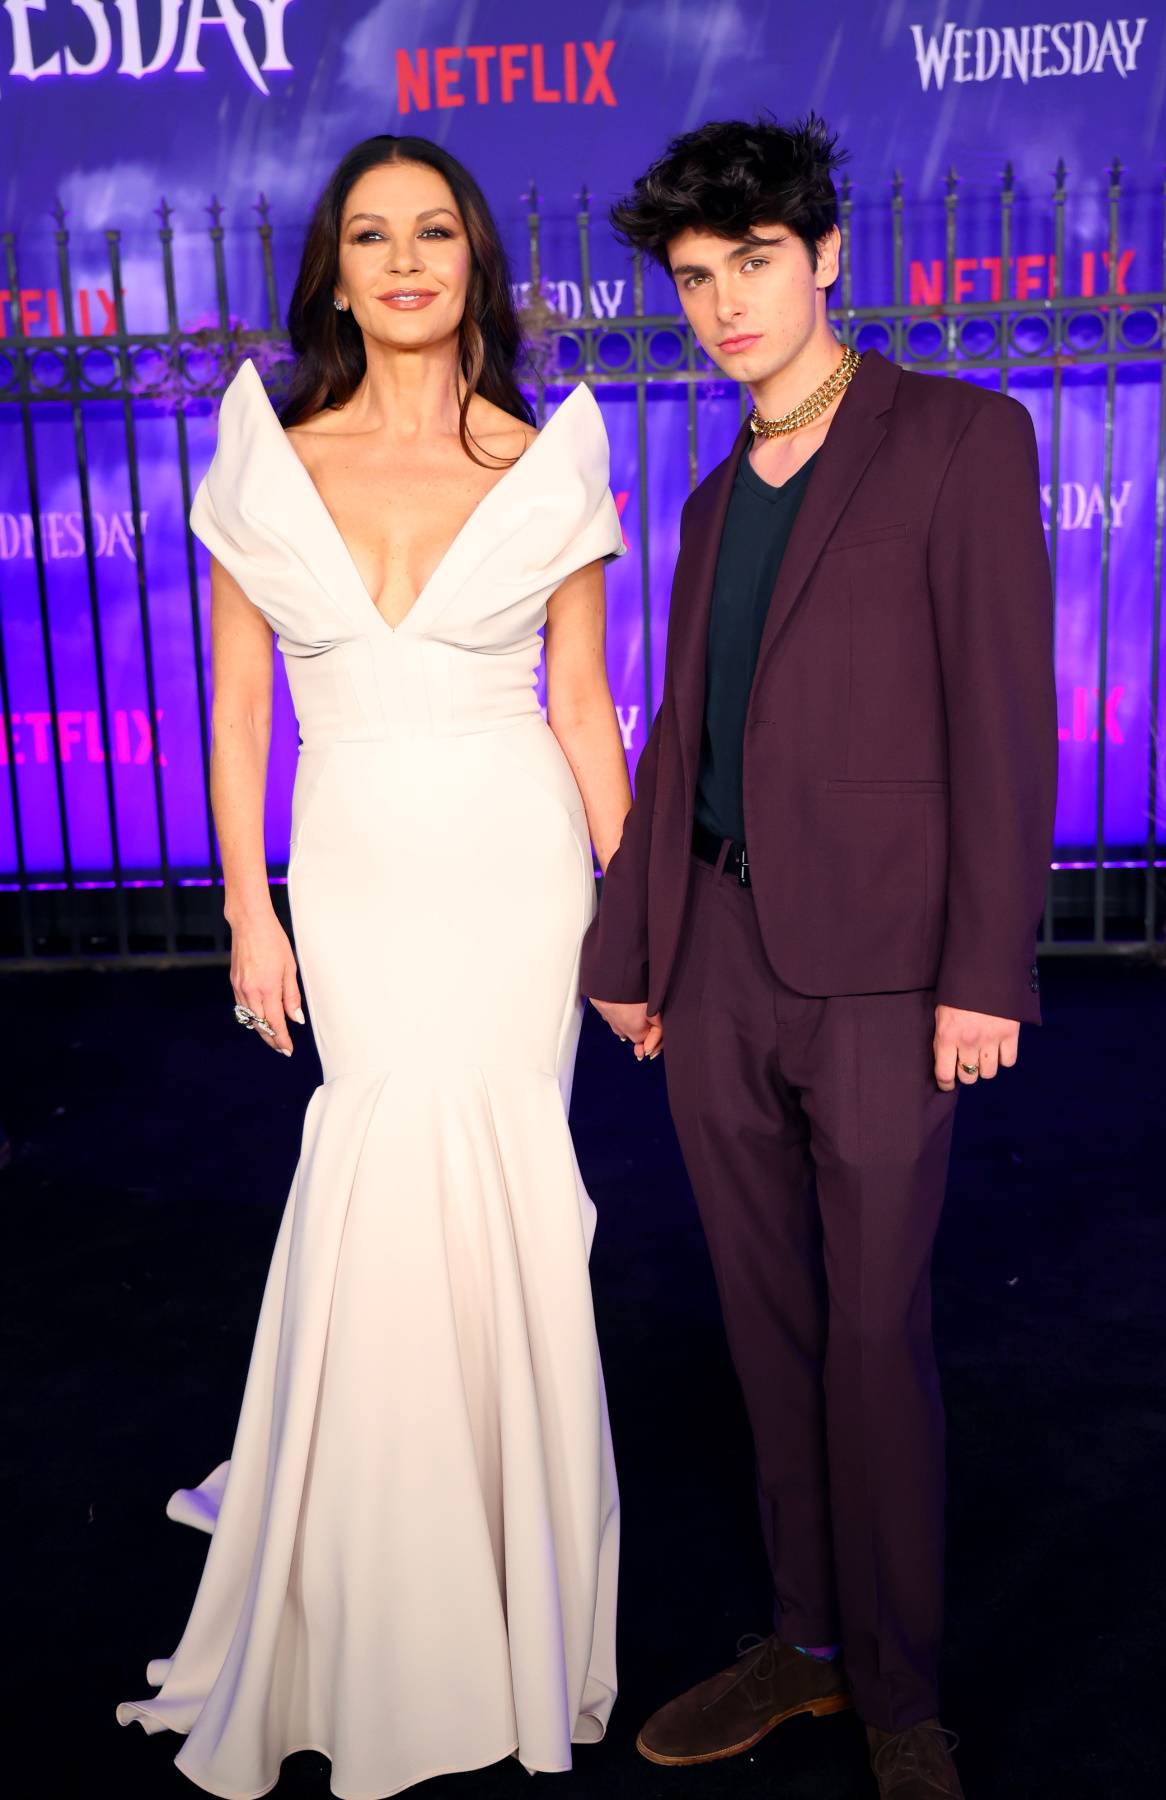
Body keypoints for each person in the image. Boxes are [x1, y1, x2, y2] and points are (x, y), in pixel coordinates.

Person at [117, 134, 632, 1798]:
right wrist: (248, 907)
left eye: (432, 231)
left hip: (515, 869)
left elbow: (578, 704)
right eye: (369, 235)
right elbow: (240, 707)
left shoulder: (551, 455)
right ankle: (380, 1593)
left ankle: (513, 1594)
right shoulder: (267, 460)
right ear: (333, 273)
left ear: (473, 259)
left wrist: (639, 916)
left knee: (505, 1196)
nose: (404, 259)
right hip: (349, 871)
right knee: (377, 1175)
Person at [582, 115, 1058, 1800]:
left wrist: (985, 972)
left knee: (874, 1338)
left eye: (754, 265)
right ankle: (806, 1645)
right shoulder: (711, 495)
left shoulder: (959, 441)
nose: (722, 305)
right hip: (715, 961)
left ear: (826, 253)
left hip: (882, 975)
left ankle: (905, 1699)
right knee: (764, 1331)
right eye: (696, 280)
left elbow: (1004, 723)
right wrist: (635, 948)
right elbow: (687, 735)